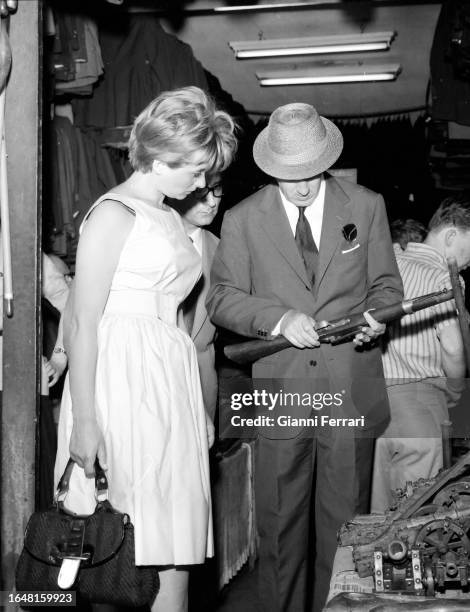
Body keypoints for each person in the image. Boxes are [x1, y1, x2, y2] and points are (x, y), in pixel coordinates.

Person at [206, 102, 403, 612]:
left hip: (348, 390)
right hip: (281, 392)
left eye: (309, 174)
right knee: (278, 528)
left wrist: (380, 317)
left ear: (327, 160)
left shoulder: (365, 206)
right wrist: (277, 318)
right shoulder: (243, 220)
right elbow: (221, 297)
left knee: (346, 534)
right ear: (269, 168)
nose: (299, 185)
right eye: (285, 175)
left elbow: (386, 287)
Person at [53, 86, 237, 612]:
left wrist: (196, 407)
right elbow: (84, 322)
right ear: (157, 158)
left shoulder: (168, 217)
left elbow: (178, 315)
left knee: (174, 543)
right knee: (120, 543)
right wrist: (85, 423)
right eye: (195, 170)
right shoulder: (113, 212)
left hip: (165, 378)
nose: (202, 184)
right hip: (122, 380)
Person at [371, 196, 468, 514]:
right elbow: (453, 347)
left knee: (378, 524)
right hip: (420, 408)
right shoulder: (444, 277)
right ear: (451, 235)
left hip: (371, 406)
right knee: (414, 522)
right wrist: (456, 391)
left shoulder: (388, 262)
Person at [169, 174, 223, 421]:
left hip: (202, 383)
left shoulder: (223, 250)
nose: (212, 202)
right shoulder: (151, 240)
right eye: (202, 194)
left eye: (217, 190)